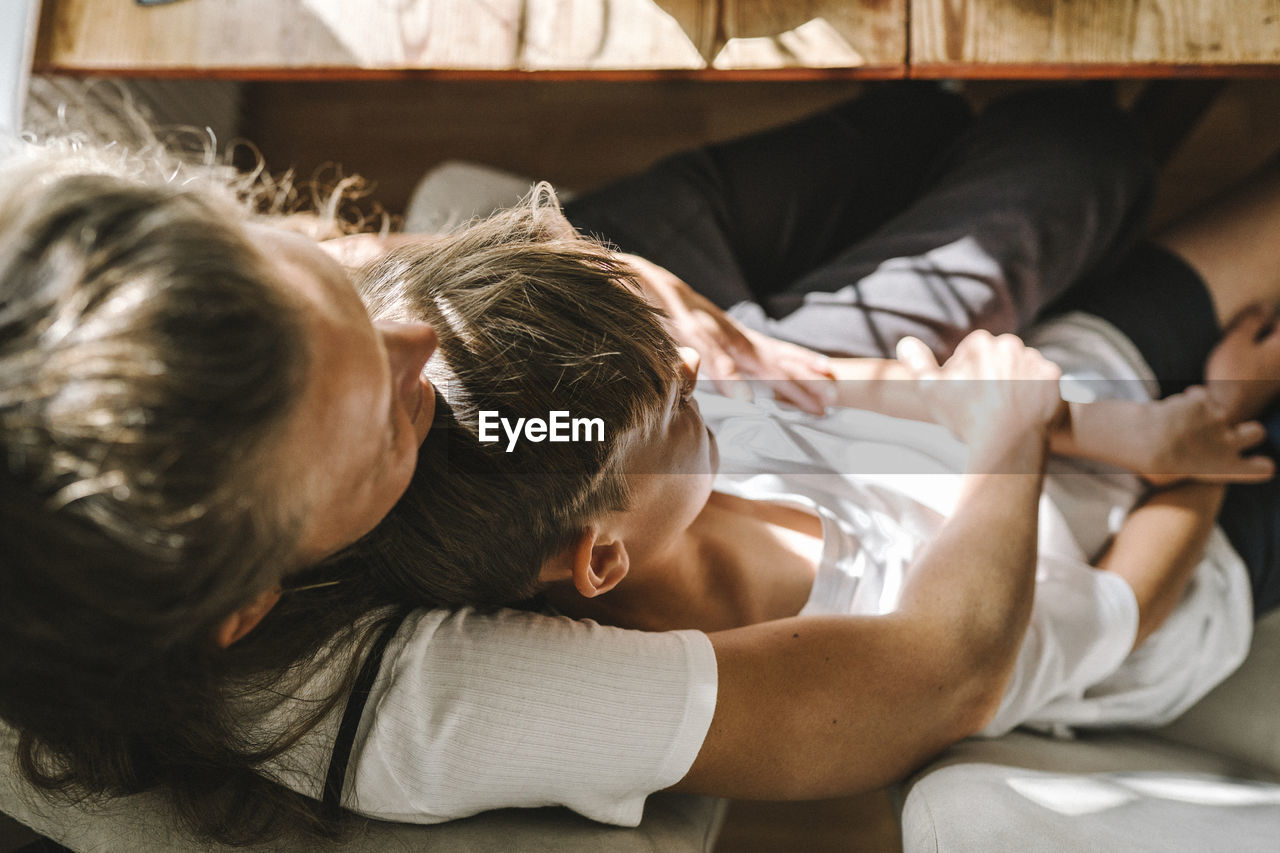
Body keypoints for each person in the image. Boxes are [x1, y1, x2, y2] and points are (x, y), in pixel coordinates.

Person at [0, 84, 1181, 845]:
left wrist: (615, 283)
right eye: (374, 413)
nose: (403, 340)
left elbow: (374, 268)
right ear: (248, 600)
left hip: (578, 357)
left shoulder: (88, 274)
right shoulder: (398, 700)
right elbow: (926, 682)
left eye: (331, 301)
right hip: (616, 427)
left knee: (909, 123)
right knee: (1071, 160)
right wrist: (1005, 433)